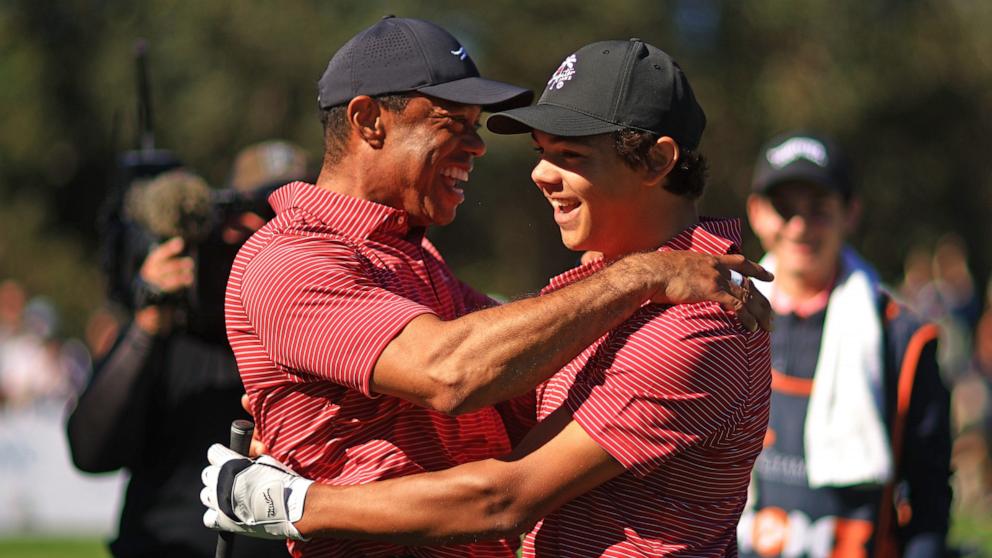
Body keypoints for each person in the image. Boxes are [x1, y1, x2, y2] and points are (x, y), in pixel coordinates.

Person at [202, 37, 772, 557]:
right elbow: (457, 371)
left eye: (571, 156)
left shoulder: (695, 316)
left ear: (656, 160)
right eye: (455, 122)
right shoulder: (295, 258)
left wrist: (293, 503)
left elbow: (503, 491)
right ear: (368, 120)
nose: (535, 173)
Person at [66, 144, 306, 557]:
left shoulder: (319, 332)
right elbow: (91, 452)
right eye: (250, 226)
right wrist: (149, 319)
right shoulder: (173, 325)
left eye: (283, 223)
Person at [736, 132, 953, 557]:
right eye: (785, 210)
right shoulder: (720, 321)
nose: (800, 227)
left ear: (850, 213)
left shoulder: (902, 339)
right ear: (757, 214)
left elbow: (929, 496)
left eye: (818, 210)